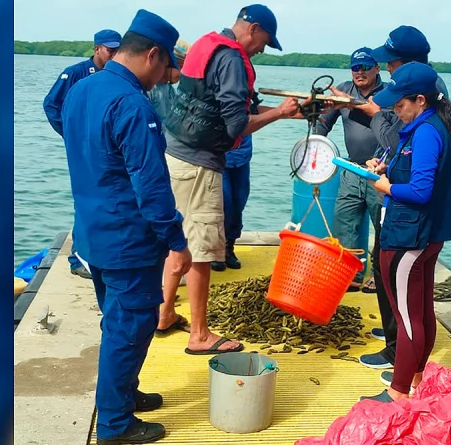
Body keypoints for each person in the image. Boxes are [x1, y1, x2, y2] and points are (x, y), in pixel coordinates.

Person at [61, 10, 190, 444]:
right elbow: (151, 184)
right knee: (128, 328)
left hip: (92, 235)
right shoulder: (133, 103)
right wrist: (176, 240)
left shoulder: (81, 89)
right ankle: (115, 425)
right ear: (152, 54)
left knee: (115, 323)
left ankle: (125, 394)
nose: (162, 78)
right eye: (165, 66)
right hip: (127, 240)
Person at [158, 4, 300, 355]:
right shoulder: (233, 60)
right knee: (203, 250)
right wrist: (280, 112)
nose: (262, 50)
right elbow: (237, 125)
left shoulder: (208, 45)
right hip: (200, 165)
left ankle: (163, 314)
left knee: (179, 241)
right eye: (264, 41)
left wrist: (289, 114)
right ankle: (200, 335)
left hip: (174, 155)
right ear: (252, 29)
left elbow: (225, 111)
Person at [331, 25, 449, 372]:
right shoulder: (426, 95)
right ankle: (399, 342)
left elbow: (406, 146)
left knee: (404, 294)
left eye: (390, 63)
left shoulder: (422, 107)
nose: (386, 72)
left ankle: (400, 360)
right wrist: (387, 160)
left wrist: (375, 117)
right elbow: (401, 148)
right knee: (408, 298)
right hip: (412, 208)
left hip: (410, 214)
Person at [358, 62, 451, 402]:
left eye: (400, 103)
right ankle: (418, 379)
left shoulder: (426, 132)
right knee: (421, 311)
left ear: (420, 100)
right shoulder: (433, 125)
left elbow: (421, 190)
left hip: (409, 236)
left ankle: (398, 393)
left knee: (407, 318)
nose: (395, 109)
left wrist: (386, 186)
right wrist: (386, 167)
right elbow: (422, 173)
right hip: (426, 236)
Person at [43, 28, 122, 280]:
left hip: (107, 149)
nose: (114, 54)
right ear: (97, 48)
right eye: (110, 50)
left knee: (106, 199)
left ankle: (101, 253)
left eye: (118, 50)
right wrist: (70, 135)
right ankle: (77, 257)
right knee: (86, 199)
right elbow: (51, 104)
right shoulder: (76, 72)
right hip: (83, 148)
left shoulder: (117, 74)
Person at [313, 47, 385, 292]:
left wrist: (355, 105)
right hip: (352, 168)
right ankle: (350, 274)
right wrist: (314, 144)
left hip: (382, 171)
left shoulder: (387, 94)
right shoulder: (344, 89)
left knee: (383, 225)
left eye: (366, 67)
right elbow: (325, 122)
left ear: (378, 68)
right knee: (344, 221)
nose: (360, 72)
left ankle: (381, 275)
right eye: (356, 67)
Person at [210, 134, 253, 271]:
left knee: (239, 202)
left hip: (243, 155)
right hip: (218, 156)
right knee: (223, 202)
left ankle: (229, 247)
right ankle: (217, 250)